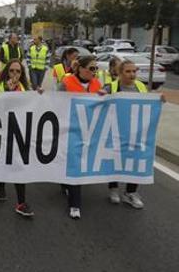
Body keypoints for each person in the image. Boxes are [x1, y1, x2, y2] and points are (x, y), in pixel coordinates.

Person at [101, 59, 166, 210]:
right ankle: (113, 189)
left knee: (135, 160)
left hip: (136, 133)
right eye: (128, 71)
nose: (132, 74)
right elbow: (100, 99)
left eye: (134, 71)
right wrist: (101, 94)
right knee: (115, 159)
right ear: (120, 73)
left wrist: (159, 99)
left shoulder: (141, 87)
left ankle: (131, 193)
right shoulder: (112, 87)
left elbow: (148, 103)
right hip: (116, 132)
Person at [0, 59, 39, 217]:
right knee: (2, 160)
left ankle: (21, 202)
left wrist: (41, 97)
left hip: (19, 132)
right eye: (12, 71)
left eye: (18, 72)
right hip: (1, 131)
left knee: (19, 165)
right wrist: (8, 93)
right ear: (6, 72)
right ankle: (1, 186)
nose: (15, 74)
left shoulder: (25, 88)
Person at [57, 55, 102, 219]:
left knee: (76, 165)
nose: (94, 72)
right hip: (70, 131)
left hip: (89, 132)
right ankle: (74, 205)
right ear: (81, 69)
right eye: (91, 68)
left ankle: (65, 183)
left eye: (96, 68)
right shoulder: (66, 83)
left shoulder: (97, 84)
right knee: (75, 166)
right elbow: (54, 103)